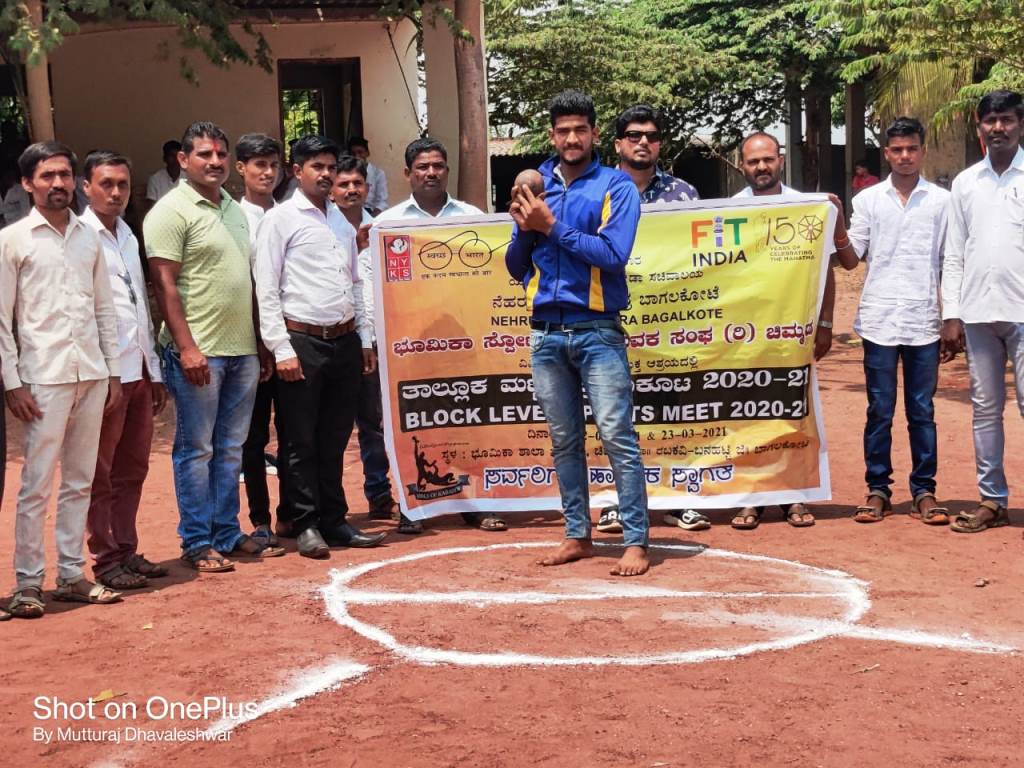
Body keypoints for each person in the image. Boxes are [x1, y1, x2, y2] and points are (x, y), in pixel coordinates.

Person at [506, 90, 649, 576]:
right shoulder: (536, 183)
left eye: (580, 130)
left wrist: (550, 225)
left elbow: (613, 255)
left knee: (616, 436)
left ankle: (636, 541)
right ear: (552, 135)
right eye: (563, 130)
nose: (572, 138)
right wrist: (526, 228)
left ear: (594, 134)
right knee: (564, 440)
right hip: (545, 334)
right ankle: (576, 535)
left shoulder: (616, 185)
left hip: (598, 331)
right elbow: (515, 267)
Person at [145, 122, 283, 572]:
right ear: (183, 160)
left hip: (242, 351)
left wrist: (260, 342)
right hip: (198, 353)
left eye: (221, 154)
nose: (215, 162)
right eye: (205, 154)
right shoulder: (170, 211)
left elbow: (248, 282)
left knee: (231, 448)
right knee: (197, 449)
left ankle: (226, 532)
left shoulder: (233, 209)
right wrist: (186, 347)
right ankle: (197, 540)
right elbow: (164, 284)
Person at [0, 142, 124, 618]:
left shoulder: (89, 237)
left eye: (65, 175)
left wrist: (112, 372)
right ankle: (28, 582)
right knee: (35, 484)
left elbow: (104, 309)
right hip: (42, 379)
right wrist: (13, 382)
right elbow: (3, 319)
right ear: (27, 183)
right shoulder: (14, 241)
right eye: (47, 175)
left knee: (79, 480)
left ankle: (72, 574)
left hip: (91, 372)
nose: (58, 184)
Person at [254, 135, 385, 558]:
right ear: (297, 171)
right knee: (299, 439)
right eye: (317, 167)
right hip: (301, 341)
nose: (326, 174)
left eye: (331, 167)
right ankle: (305, 522)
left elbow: (355, 283)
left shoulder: (340, 222)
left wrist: (363, 337)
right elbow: (266, 287)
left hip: (343, 341)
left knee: (335, 436)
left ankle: (334, 519)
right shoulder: (280, 219)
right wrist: (281, 348)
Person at [377, 137, 508, 533]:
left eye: (437, 166)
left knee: (467, 422)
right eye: (422, 167)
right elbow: (373, 285)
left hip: (464, 342)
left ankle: (476, 504)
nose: (431, 173)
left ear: (447, 170)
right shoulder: (388, 224)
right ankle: (413, 507)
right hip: (409, 345)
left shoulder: (473, 218)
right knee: (411, 425)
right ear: (407, 173)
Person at [728, 131, 852, 529]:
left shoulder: (806, 208)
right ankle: (750, 497)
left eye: (768, 159)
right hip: (744, 336)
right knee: (749, 415)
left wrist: (826, 324)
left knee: (793, 414)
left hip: (794, 334)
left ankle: (794, 495)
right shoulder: (727, 212)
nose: (761, 167)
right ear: (742, 166)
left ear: (780, 160)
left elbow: (827, 271)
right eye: (753, 161)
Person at [597, 103, 708, 535]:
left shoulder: (684, 195)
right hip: (609, 321)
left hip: (669, 325)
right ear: (618, 143)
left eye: (652, 136)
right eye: (634, 135)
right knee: (611, 415)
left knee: (670, 411)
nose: (643, 142)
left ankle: (677, 498)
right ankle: (614, 502)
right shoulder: (597, 191)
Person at [836, 118, 951, 524]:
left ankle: (924, 491)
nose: (905, 156)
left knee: (921, 410)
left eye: (911, 149)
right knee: (879, 410)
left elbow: (950, 262)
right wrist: (836, 224)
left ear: (922, 151)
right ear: (886, 154)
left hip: (924, 320)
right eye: (897, 150)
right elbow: (852, 259)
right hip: (880, 319)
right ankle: (878, 490)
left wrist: (951, 318)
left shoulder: (941, 202)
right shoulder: (868, 201)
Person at [81, 151, 171, 589]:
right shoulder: (80, 237)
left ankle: (126, 548)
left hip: (138, 368)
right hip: (106, 374)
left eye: (121, 185)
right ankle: (105, 558)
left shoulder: (128, 236)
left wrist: (154, 371)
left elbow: (138, 307)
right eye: (106, 184)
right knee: (101, 471)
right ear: (87, 188)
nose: (115, 193)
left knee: (132, 468)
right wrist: (104, 374)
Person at [941, 89, 1024, 534]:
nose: (998, 128)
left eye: (1006, 119)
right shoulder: (965, 183)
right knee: (985, 410)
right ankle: (992, 501)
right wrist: (951, 314)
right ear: (979, 128)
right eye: (990, 120)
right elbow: (954, 253)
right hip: (977, 314)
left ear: (1020, 125)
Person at [331, 155, 416, 533]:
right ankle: (329, 504)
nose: (351, 190)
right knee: (334, 425)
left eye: (357, 184)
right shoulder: (323, 228)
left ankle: (381, 494)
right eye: (343, 184)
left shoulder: (385, 228)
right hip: (337, 337)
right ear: (332, 190)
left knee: (380, 422)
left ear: (367, 187)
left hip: (384, 341)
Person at [234, 133, 289, 546]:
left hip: (291, 343)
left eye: (273, 165)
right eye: (259, 165)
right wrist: (259, 341)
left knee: (293, 433)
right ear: (241, 169)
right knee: (253, 438)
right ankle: (260, 519)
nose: (268, 173)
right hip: (251, 346)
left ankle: (291, 513)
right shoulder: (235, 219)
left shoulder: (289, 215)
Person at [348, 137, 388, 215]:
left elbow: (382, 202)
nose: (357, 156)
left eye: (360, 152)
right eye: (353, 153)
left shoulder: (378, 173)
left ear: (367, 153)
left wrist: (371, 218)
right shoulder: (346, 174)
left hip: (372, 213)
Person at [145, 140, 182, 212]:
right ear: (164, 158)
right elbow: (151, 209)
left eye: (178, 156)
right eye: (171, 156)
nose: (176, 160)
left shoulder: (189, 178)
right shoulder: (155, 179)